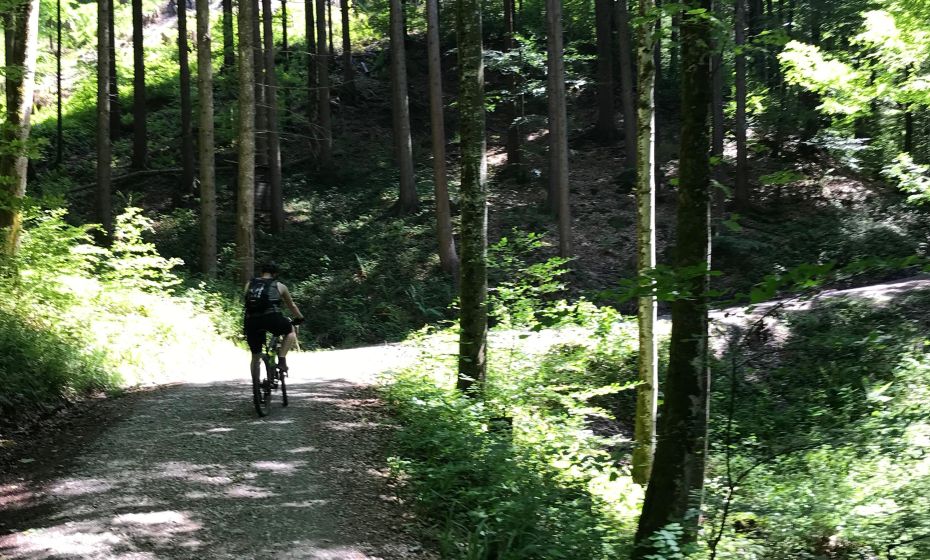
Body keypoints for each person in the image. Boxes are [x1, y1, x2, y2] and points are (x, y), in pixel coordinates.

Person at [244, 262, 305, 389]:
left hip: (251, 321)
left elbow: (247, 302)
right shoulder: (279, 285)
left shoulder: (250, 284)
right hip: (272, 318)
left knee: (255, 356)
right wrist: (300, 317)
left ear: (261, 272)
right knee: (290, 330)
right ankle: (281, 359)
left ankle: (256, 385)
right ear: (275, 274)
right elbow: (291, 305)